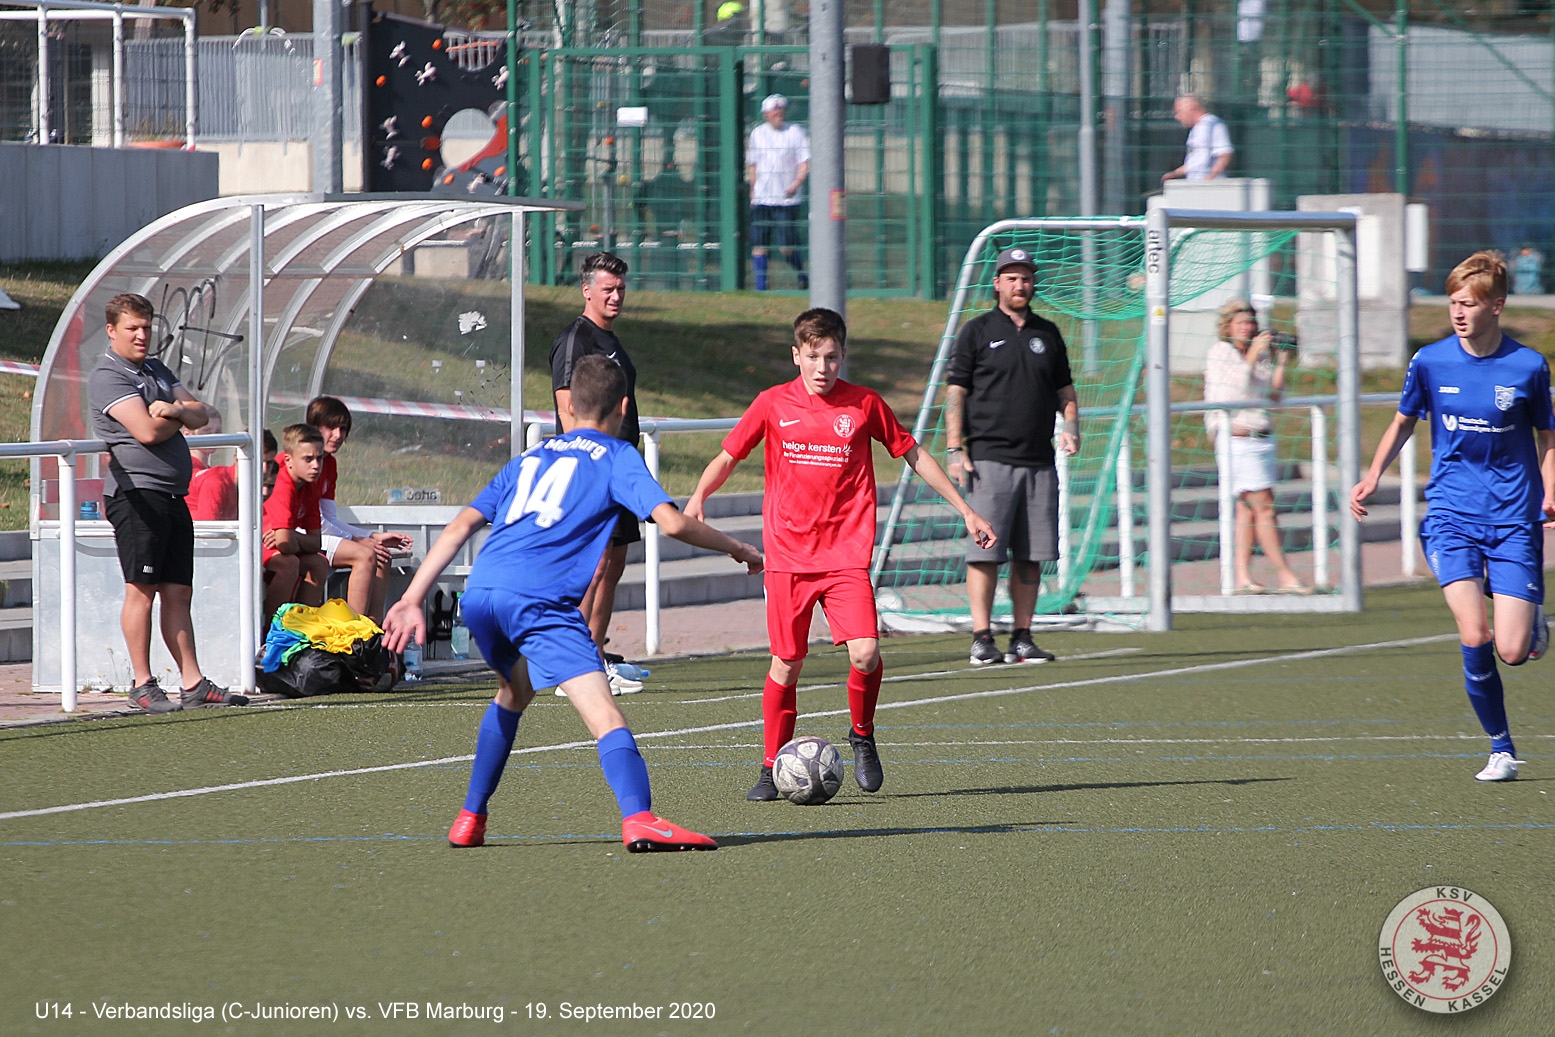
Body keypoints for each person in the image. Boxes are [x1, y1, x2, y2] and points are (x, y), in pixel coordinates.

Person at [383, 355, 764, 851]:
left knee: (513, 692)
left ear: (568, 406)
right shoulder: (616, 455)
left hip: (482, 596)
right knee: (604, 712)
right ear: (623, 407)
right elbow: (670, 523)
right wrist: (737, 547)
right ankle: (640, 816)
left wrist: (413, 597)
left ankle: (470, 817)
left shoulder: (528, 459)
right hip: (540, 603)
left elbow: (459, 527)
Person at [686, 308, 996, 801]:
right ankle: (771, 766)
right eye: (813, 357)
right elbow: (729, 456)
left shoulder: (865, 404)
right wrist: (700, 498)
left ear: (843, 356)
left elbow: (912, 453)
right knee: (786, 664)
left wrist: (966, 510)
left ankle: (862, 733)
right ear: (796, 355)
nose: (822, 367)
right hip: (787, 557)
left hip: (845, 556)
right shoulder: (771, 403)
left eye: (831, 357)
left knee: (867, 652)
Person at [1352, 251, 1555, 783]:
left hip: (1514, 521)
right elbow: (1402, 423)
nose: (1458, 312)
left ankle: (1531, 617)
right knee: (1475, 633)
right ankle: (1501, 747)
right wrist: (1373, 474)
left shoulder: (1529, 366)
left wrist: (1550, 493)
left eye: (1469, 303)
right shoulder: (1430, 361)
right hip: (1450, 514)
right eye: (1453, 302)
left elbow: (1547, 435)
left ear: (1497, 305)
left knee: (1512, 651)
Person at [88, 292, 244, 712]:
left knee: (178, 592)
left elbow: (203, 414)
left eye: (146, 327)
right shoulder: (108, 375)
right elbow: (146, 432)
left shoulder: (156, 367)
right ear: (112, 330)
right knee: (142, 590)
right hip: (137, 494)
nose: (141, 336)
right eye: (132, 329)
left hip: (174, 494)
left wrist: (173, 408)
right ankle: (142, 683)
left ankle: (193, 683)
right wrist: (178, 415)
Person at [944, 248, 1079, 666]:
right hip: (989, 459)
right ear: (997, 283)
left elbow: (1065, 392)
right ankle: (982, 638)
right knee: (985, 552)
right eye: (1012, 278)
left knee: (1031, 554)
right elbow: (956, 392)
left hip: (1039, 461)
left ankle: (1023, 635)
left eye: (1026, 278)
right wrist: (954, 448)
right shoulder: (977, 331)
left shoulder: (1048, 333)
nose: (1020, 285)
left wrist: (1071, 427)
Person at [550, 251, 643, 694]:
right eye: (607, 289)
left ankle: (596, 652)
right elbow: (569, 410)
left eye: (621, 288)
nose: (616, 296)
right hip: (593, 471)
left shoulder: (613, 340)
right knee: (594, 562)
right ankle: (576, 662)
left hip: (620, 469)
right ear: (586, 290)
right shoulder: (575, 340)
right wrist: (590, 464)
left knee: (615, 561)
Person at [1203, 299, 1309, 594]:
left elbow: (1274, 398)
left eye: (1251, 322)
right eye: (1242, 323)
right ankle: (1286, 574)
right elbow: (1231, 394)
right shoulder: (1221, 352)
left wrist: (1282, 360)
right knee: (1265, 506)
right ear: (1228, 326)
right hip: (1236, 439)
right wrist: (1251, 355)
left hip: (1261, 438)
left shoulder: (1259, 355)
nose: (1248, 328)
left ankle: (1242, 577)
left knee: (1247, 511)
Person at [305, 396, 414, 621]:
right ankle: (355, 637)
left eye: (343, 429)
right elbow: (316, 523)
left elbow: (329, 517)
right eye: (330, 427)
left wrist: (373, 536)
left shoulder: (330, 464)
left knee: (381, 555)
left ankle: (372, 631)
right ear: (314, 428)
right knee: (364, 555)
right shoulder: (305, 462)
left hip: (319, 534)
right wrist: (360, 541)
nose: (338, 435)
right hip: (304, 536)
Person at [262, 423, 330, 621]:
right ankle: (273, 630)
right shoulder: (282, 484)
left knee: (318, 562)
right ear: (288, 460)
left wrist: (293, 536)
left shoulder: (310, 486)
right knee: (289, 563)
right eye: (308, 459)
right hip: (259, 545)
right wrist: (292, 538)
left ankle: (302, 627)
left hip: (282, 543)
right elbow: (284, 544)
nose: (316, 465)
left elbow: (316, 542)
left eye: (320, 458)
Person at [747, 94, 810, 291]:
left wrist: (796, 183)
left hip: (786, 200)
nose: (778, 114)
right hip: (763, 198)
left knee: (786, 247)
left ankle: (802, 276)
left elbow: (804, 162)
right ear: (766, 114)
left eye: (780, 110)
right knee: (759, 246)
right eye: (774, 111)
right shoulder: (757, 134)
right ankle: (761, 288)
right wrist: (753, 191)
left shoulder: (795, 132)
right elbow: (753, 165)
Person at [1161, 95, 1234, 183]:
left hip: (1209, 187)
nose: (1177, 117)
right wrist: (1175, 173)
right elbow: (1194, 163)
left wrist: (1211, 177)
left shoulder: (1213, 123)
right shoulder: (1195, 129)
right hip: (1195, 184)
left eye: (1179, 112)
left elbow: (1224, 154)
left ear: (1192, 107)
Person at [187, 407, 238, 522]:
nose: (213, 437)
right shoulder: (189, 471)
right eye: (207, 431)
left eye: (217, 432)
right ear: (187, 433)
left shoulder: (207, 471)